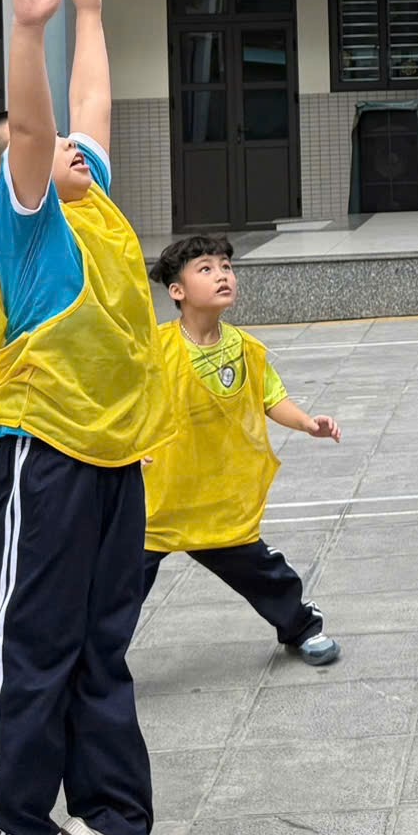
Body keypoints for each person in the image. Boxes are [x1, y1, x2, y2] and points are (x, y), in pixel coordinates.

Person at [0, 0, 183, 835]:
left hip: (114, 455)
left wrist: (92, 20)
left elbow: (86, 111)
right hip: (43, 453)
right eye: (51, 151)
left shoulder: (91, 195)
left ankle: (112, 818)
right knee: (35, 645)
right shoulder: (29, 220)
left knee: (105, 645)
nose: (73, 150)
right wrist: (30, 29)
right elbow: (43, 122)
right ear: (21, 173)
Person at [144, 234, 345, 657]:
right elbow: (127, 403)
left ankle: (301, 627)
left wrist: (308, 423)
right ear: (177, 292)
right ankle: (93, 667)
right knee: (116, 593)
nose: (222, 276)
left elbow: (271, 398)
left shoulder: (246, 349)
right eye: (206, 269)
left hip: (218, 498)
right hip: (157, 502)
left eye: (226, 267)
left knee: (263, 572)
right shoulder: (153, 348)